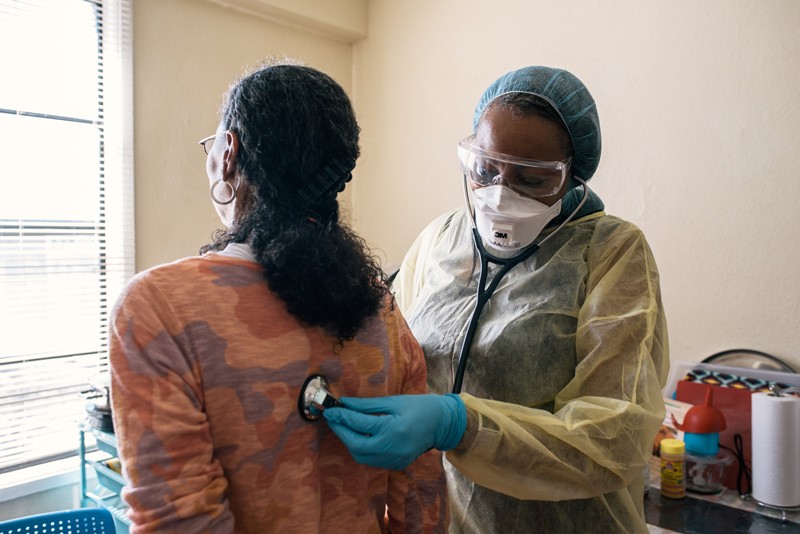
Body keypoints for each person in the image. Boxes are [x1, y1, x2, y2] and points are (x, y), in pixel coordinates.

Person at [323, 66, 670, 533]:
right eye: (485, 169)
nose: (500, 193)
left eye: (531, 179)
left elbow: (614, 438)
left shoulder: (612, 252)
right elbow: (388, 349)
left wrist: (459, 423)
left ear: (574, 178)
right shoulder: (443, 239)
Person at [109, 60, 448, 533]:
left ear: (228, 152)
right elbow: (421, 494)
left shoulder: (158, 308)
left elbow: (180, 522)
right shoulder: (378, 308)